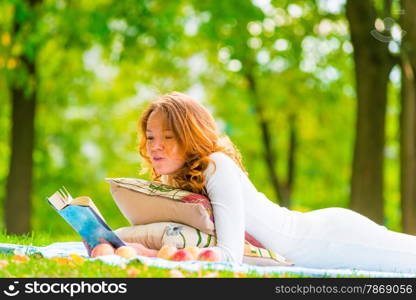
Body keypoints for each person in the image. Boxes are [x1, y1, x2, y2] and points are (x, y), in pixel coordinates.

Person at [102, 91, 416, 273]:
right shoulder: (175, 179)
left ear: (190, 137)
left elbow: (229, 257)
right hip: (316, 234)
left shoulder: (215, 166)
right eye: (151, 137)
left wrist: (155, 257)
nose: (155, 145)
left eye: (168, 137)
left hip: (328, 240)